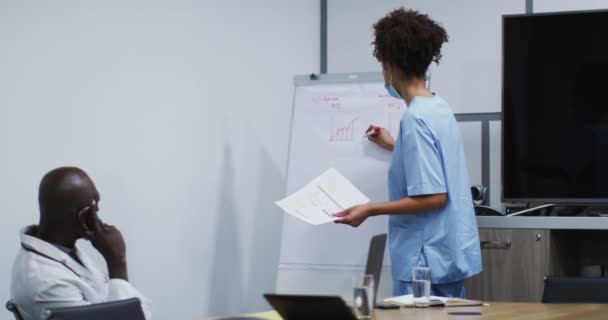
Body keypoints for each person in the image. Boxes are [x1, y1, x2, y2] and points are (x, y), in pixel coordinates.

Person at [333, 8, 481, 298]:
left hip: (423, 264)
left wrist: (369, 209)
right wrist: (393, 145)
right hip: (446, 254)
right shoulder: (438, 107)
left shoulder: (415, 119)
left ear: (389, 64)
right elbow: (439, 165)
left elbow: (434, 196)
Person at [10, 167, 151, 320]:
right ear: (82, 216)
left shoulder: (64, 251)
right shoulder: (46, 282)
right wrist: (117, 262)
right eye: (93, 205)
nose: (97, 209)